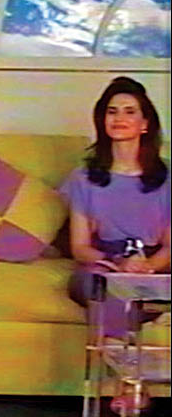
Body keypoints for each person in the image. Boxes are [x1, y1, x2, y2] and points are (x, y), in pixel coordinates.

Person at [62, 76, 170, 348]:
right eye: (112, 112)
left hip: (154, 263)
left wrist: (146, 267)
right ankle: (123, 368)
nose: (119, 118)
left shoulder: (167, 178)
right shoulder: (83, 177)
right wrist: (117, 263)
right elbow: (80, 247)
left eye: (129, 111)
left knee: (141, 289)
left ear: (145, 124)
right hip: (104, 263)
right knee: (100, 287)